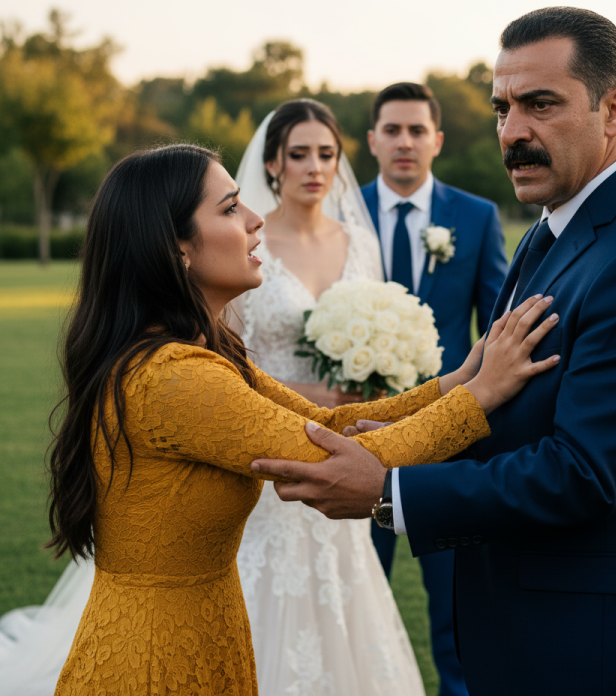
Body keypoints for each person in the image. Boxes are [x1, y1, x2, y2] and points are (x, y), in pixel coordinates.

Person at [253, 7, 616, 696]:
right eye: (503, 108)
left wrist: (388, 490)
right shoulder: (551, 229)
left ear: (614, 109)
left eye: (541, 105)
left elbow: (582, 474)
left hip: (600, 644)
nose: (513, 133)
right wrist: (398, 438)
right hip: (533, 623)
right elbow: (504, 405)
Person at [40, 142, 560, 694]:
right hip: (152, 659)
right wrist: (479, 398)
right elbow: (334, 462)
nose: (255, 218)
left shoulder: (202, 352)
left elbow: (329, 426)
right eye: (230, 208)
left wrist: (457, 381)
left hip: (201, 631)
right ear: (176, 248)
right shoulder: (174, 377)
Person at [233, 99, 424, 695]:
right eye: (298, 155)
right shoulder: (249, 243)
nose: (314, 167)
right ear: (272, 165)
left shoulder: (358, 243)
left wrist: (382, 375)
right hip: (269, 450)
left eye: (326, 154)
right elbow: (225, 365)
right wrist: (317, 393)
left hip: (345, 451)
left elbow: (382, 329)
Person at [360, 83, 508, 696]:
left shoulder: (476, 216)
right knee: (357, 604)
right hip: (358, 439)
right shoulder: (338, 216)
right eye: (391, 130)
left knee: (454, 612)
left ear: (437, 140)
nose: (404, 142)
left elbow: (499, 326)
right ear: (371, 140)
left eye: (416, 130)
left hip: (450, 440)